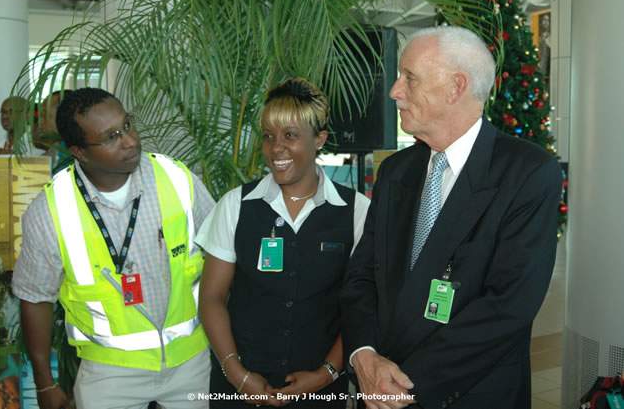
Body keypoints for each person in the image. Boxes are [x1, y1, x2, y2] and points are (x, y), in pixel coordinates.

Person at [341, 26, 562, 409]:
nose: (394, 91)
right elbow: (362, 277)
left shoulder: (527, 172)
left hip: (462, 394)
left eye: (408, 77)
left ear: (455, 87)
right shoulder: (395, 172)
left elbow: (508, 306)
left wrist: (400, 386)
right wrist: (363, 355)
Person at [13, 87, 215, 409]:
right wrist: (45, 383)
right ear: (80, 151)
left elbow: (222, 256)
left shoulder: (176, 179)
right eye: (110, 138)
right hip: (109, 373)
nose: (130, 140)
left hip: (191, 362)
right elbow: (35, 298)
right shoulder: (51, 211)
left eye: (127, 125)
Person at [197, 77, 370, 408]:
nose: (276, 148)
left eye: (290, 136)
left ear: (319, 139)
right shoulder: (236, 205)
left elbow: (362, 306)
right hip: (238, 387)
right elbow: (212, 297)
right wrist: (238, 376)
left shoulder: (357, 211)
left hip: (319, 389)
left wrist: (325, 374)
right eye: (268, 136)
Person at [33, 90, 74, 171]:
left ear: (64, 116)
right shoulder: (55, 150)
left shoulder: (74, 155)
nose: (40, 122)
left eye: (44, 115)